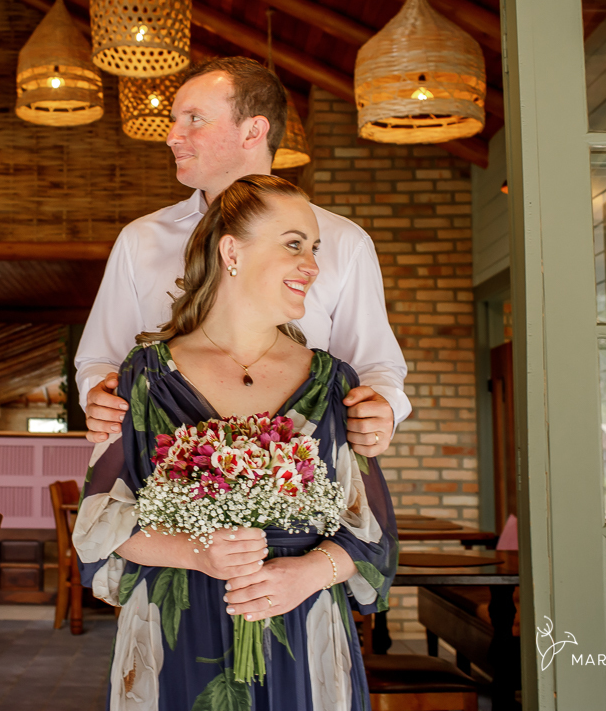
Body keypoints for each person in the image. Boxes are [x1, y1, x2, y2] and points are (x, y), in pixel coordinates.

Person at [74, 175, 397, 711]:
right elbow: (99, 522)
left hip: (303, 631)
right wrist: (195, 552)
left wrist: (307, 574)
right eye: (294, 244)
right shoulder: (144, 378)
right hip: (179, 630)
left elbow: (372, 534)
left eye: (315, 249)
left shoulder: (333, 382)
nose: (312, 266)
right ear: (232, 252)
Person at [74, 57, 408, 457]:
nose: (172, 136)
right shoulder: (140, 239)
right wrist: (97, 393)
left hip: (300, 474)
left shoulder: (345, 241)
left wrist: (384, 407)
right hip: (156, 470)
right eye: (174, 120)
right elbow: (100, 357)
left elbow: (376, 364)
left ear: (253, 131)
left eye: (194, 119)